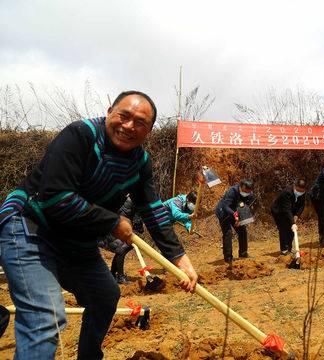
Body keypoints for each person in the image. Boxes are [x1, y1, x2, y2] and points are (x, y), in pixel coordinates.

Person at [0, 91, 198, 359]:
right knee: (45, 316)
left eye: (140, 122)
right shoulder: (80, 136)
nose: (128, 126)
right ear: (109, 112)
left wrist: (179, 258)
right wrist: (113, 221)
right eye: (123, 116)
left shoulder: (141, 163)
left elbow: (152, 210)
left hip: (75, 239)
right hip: (30, 225)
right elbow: (56, 197)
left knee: (105, 295)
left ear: (149, 131)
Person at [98, 195, 144, 284]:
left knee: (120, 250)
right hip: (119, 227)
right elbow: (136, 218)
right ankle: (120, 276)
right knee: (122, 249)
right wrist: (137, 231)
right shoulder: (136, 198)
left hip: (116, 225)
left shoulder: (127, 196)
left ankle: (113, 274)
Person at [215, 179, 255, 267]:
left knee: (242, 231)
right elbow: (226, 206)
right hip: (223, 212)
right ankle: (228, 258)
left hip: (236, 212)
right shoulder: (232, 191)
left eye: (248, 191)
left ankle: (243, 254)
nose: (246, 193)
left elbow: (245, 206)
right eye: (244, 191)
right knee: (228, 233)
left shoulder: (250, 194)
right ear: (241, 187)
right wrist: (235, 215)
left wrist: (240, 219)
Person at [270, 179, 307, 255]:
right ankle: (284, 250)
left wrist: (296, 215)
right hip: (279, 211)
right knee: (283, 228)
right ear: (295, 186)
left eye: (301, 191)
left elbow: (302, 205)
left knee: (291, 229)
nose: (300, 192)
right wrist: (292, 222)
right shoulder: (286, 193)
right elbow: (286, 209)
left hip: (291, 210)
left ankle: (289, 248)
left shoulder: (303, 193)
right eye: (298, 190)